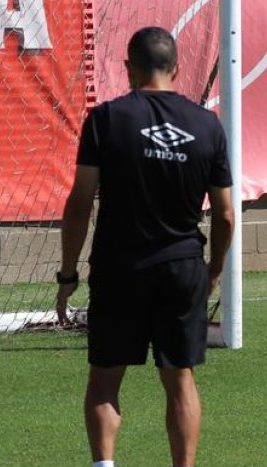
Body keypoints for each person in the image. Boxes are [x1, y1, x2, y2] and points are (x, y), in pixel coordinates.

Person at [55, 26, 234, 467]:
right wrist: (213, 269)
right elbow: (227, 214)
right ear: (176, 68)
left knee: (104, 379)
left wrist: (68, 274)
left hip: (120, 269)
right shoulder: (207, 125)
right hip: (182, 268)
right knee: (180, 379)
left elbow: (79, 205)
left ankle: (104, 465)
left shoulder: (107, 119)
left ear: (128, 68)